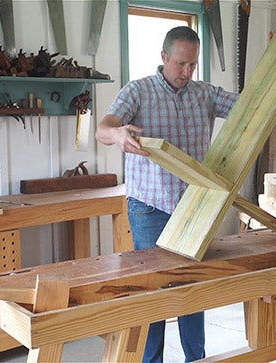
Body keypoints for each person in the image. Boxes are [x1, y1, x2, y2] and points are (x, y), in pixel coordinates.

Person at [95, 26, 239, 363]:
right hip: (150, 207)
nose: (186, 72)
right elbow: (103, 128)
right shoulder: (139, 91)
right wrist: (116, 134)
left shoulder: (205, 93)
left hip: (195, 207)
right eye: (180, 64)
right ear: (163, 58)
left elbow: (250, 106)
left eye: (192, 65)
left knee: (192, 286)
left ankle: (196, 359)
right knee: (153, 288)